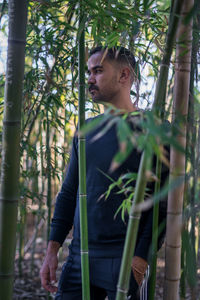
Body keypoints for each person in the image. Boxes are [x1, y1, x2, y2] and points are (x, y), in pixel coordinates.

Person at [40, 46, 168, 300]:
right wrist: (52, 250)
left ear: (124, 76)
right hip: (80, 255)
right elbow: (69, 192)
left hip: (125, 258)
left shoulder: (153, 129)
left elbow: (161, 204)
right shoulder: (86, 130)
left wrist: (140, 259)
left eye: (98, 71)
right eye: (89, 72)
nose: (89, 79)